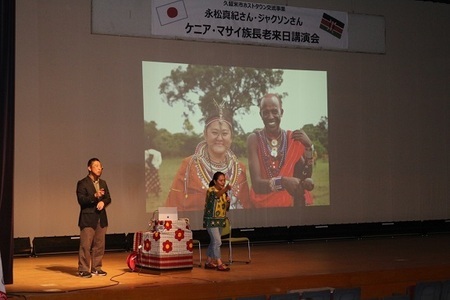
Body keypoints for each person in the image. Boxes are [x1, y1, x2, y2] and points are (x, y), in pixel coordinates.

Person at [166, 111, 251, 211]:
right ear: (205, 135)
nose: (219, 138)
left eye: (224, 133)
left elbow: (246, 209)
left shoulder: (240, 169)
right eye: (214, 133)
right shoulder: (189, 165)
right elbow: (172, 205)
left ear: (231, 138)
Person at [247, 93, 314, 207]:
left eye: (274, 111)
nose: (270, 116)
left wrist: (309, 147)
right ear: (260, 115)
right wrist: (283, 182)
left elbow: (303, 177)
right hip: (262, 207)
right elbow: (257, 185)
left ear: (281, 112)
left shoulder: (292, 139)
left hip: (287, 205)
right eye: (266, 112)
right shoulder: (254, 139)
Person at [76, 158, 111, 278]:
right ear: (89, 168)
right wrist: (95, 196)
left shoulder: (103, 183)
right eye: (96, 166)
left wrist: (103, 203)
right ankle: (83, 269)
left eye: (100, 166)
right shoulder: (82, 183)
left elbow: (108, 198)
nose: (99, 168)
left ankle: (96, 268)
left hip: (101, 218)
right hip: (88, 218)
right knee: (86, 245)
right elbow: (82, 200)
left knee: (99, 245)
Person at [203, 171, 231, 271]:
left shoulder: (224, 193)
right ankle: (219, 263)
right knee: (217, 241)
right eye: (220, 180)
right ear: (215, 181)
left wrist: (228, 201)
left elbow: (226, 209)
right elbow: (216, 195)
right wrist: (226, 189)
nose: (223, 182)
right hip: (211, 221)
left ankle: (208, 262)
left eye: (224, 180)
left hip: (220, 220)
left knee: (214, 242)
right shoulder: (211, 190)